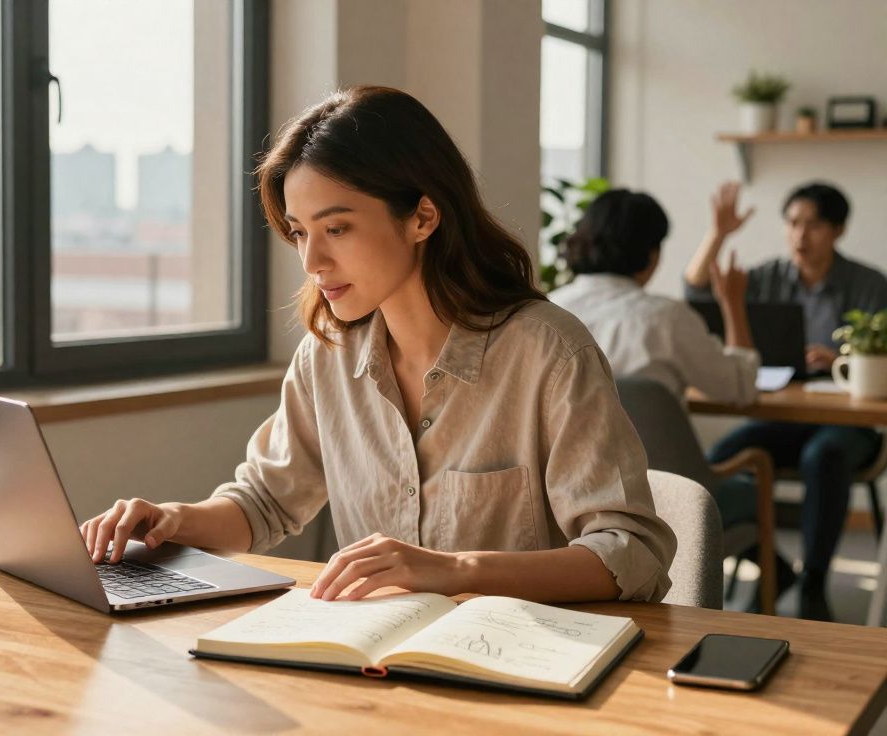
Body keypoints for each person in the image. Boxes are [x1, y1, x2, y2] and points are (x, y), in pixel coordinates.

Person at [79, 86, 675, 604]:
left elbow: (631, 552)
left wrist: (452, 571)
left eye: (336, 228)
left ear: (422, 217)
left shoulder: (548, 351)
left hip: (526, 667)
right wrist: (168, 521)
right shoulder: (328, 355)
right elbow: (264, 502)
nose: (312, 260)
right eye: (299, 232)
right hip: (377, 669)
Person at [684, 180, 887, 620]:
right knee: (720, 457)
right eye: (792, 223)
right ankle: (773, 567)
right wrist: (718, 234)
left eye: (813, 225)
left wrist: (842, 358)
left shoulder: (870, 285)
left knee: (824, 456)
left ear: (838, 230)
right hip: (782, 415)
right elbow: (697, 294)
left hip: (850, 425)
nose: (800, 235)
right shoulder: (770, 275)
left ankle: (813, 580)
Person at [550, 188, 761, 545]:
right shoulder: (664, 318)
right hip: (660, 501)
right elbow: (739, 388)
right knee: (750, 488)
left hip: (568, 503)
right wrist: (733, 305)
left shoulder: (547, 311)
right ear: (651, 254)